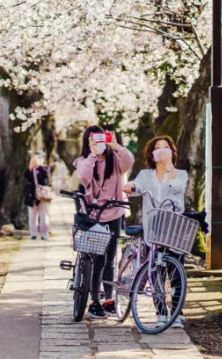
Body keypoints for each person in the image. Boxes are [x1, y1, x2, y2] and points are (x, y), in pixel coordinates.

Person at [123, 135, 188, 327]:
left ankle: (177, 313)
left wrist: (169, 166)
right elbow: (135, 188)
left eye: (165, 147)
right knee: (156, 273)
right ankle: (161, 313)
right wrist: (129, 187)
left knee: (176, 273)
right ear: (151, 153)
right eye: (157, 147)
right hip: (153, 230)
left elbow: (178, 189)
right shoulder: (145, 175)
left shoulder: (180, 174)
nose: (161, 150)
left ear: (172, 151)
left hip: (174, 229)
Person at [74, 125, 135, 319]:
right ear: (88, 142)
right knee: (97, 259)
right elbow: (84, 177)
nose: (98, 143)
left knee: (110, 258)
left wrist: (116, 146)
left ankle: (108, 299)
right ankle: (94, 301)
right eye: (94, 140)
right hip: (93, 215)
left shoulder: (115, 161)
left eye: (101, 139)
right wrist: (93, 155)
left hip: (114, 213)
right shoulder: (84, 161)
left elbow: (129, 161)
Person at [24, 152, 51, 240]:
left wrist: (40, 165)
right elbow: (26, 176)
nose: (38, 159)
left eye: (40, 157)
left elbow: (46, 177)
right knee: (32, 216)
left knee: (44, 216)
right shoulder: (31, 169)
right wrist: (31, 166)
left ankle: (44, 234)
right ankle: (33, 233)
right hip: (32, 196)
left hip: (43, 196)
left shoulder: (45, 168)